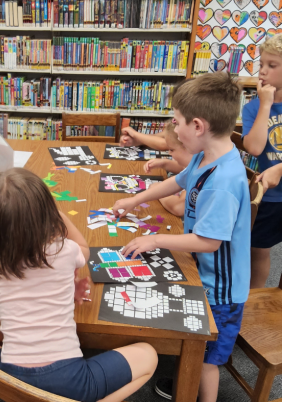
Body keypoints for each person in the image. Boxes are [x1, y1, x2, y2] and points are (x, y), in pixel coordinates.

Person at [113, 72, 250, 402]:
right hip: (203, 271)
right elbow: (178, 182)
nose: (173, 129)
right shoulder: (207, 155)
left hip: (221, 290)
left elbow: (209, 242)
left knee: (207, 357)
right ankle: (185, 379)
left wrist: (156, 240)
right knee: (198, 346)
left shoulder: (224, 180)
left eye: (177, 122)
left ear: (198, 126)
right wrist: (135, 199)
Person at [0, 168, 158, 402]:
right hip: (72, 381)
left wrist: (67, 288)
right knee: (149, 356)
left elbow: (32, 284)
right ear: (47, 215)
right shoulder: (65, 250)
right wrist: (56, 213)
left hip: (13, 378)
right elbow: (85, 250)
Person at [241, 34, 282, 288]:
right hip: (269, 198)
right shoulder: (254, 108)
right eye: (261, 65)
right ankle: (254, 301)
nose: (263, 72)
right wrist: (265, 105)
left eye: (272, 65)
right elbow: (254, 148)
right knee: (259, 249)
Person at [143, 122, 193, 217]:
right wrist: (165, 163)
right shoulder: (199, 161)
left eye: (171, 150)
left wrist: (156, 190)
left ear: (187, 147)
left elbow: (178, 207)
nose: (169, 153)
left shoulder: (197, 171)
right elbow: (183, 168)